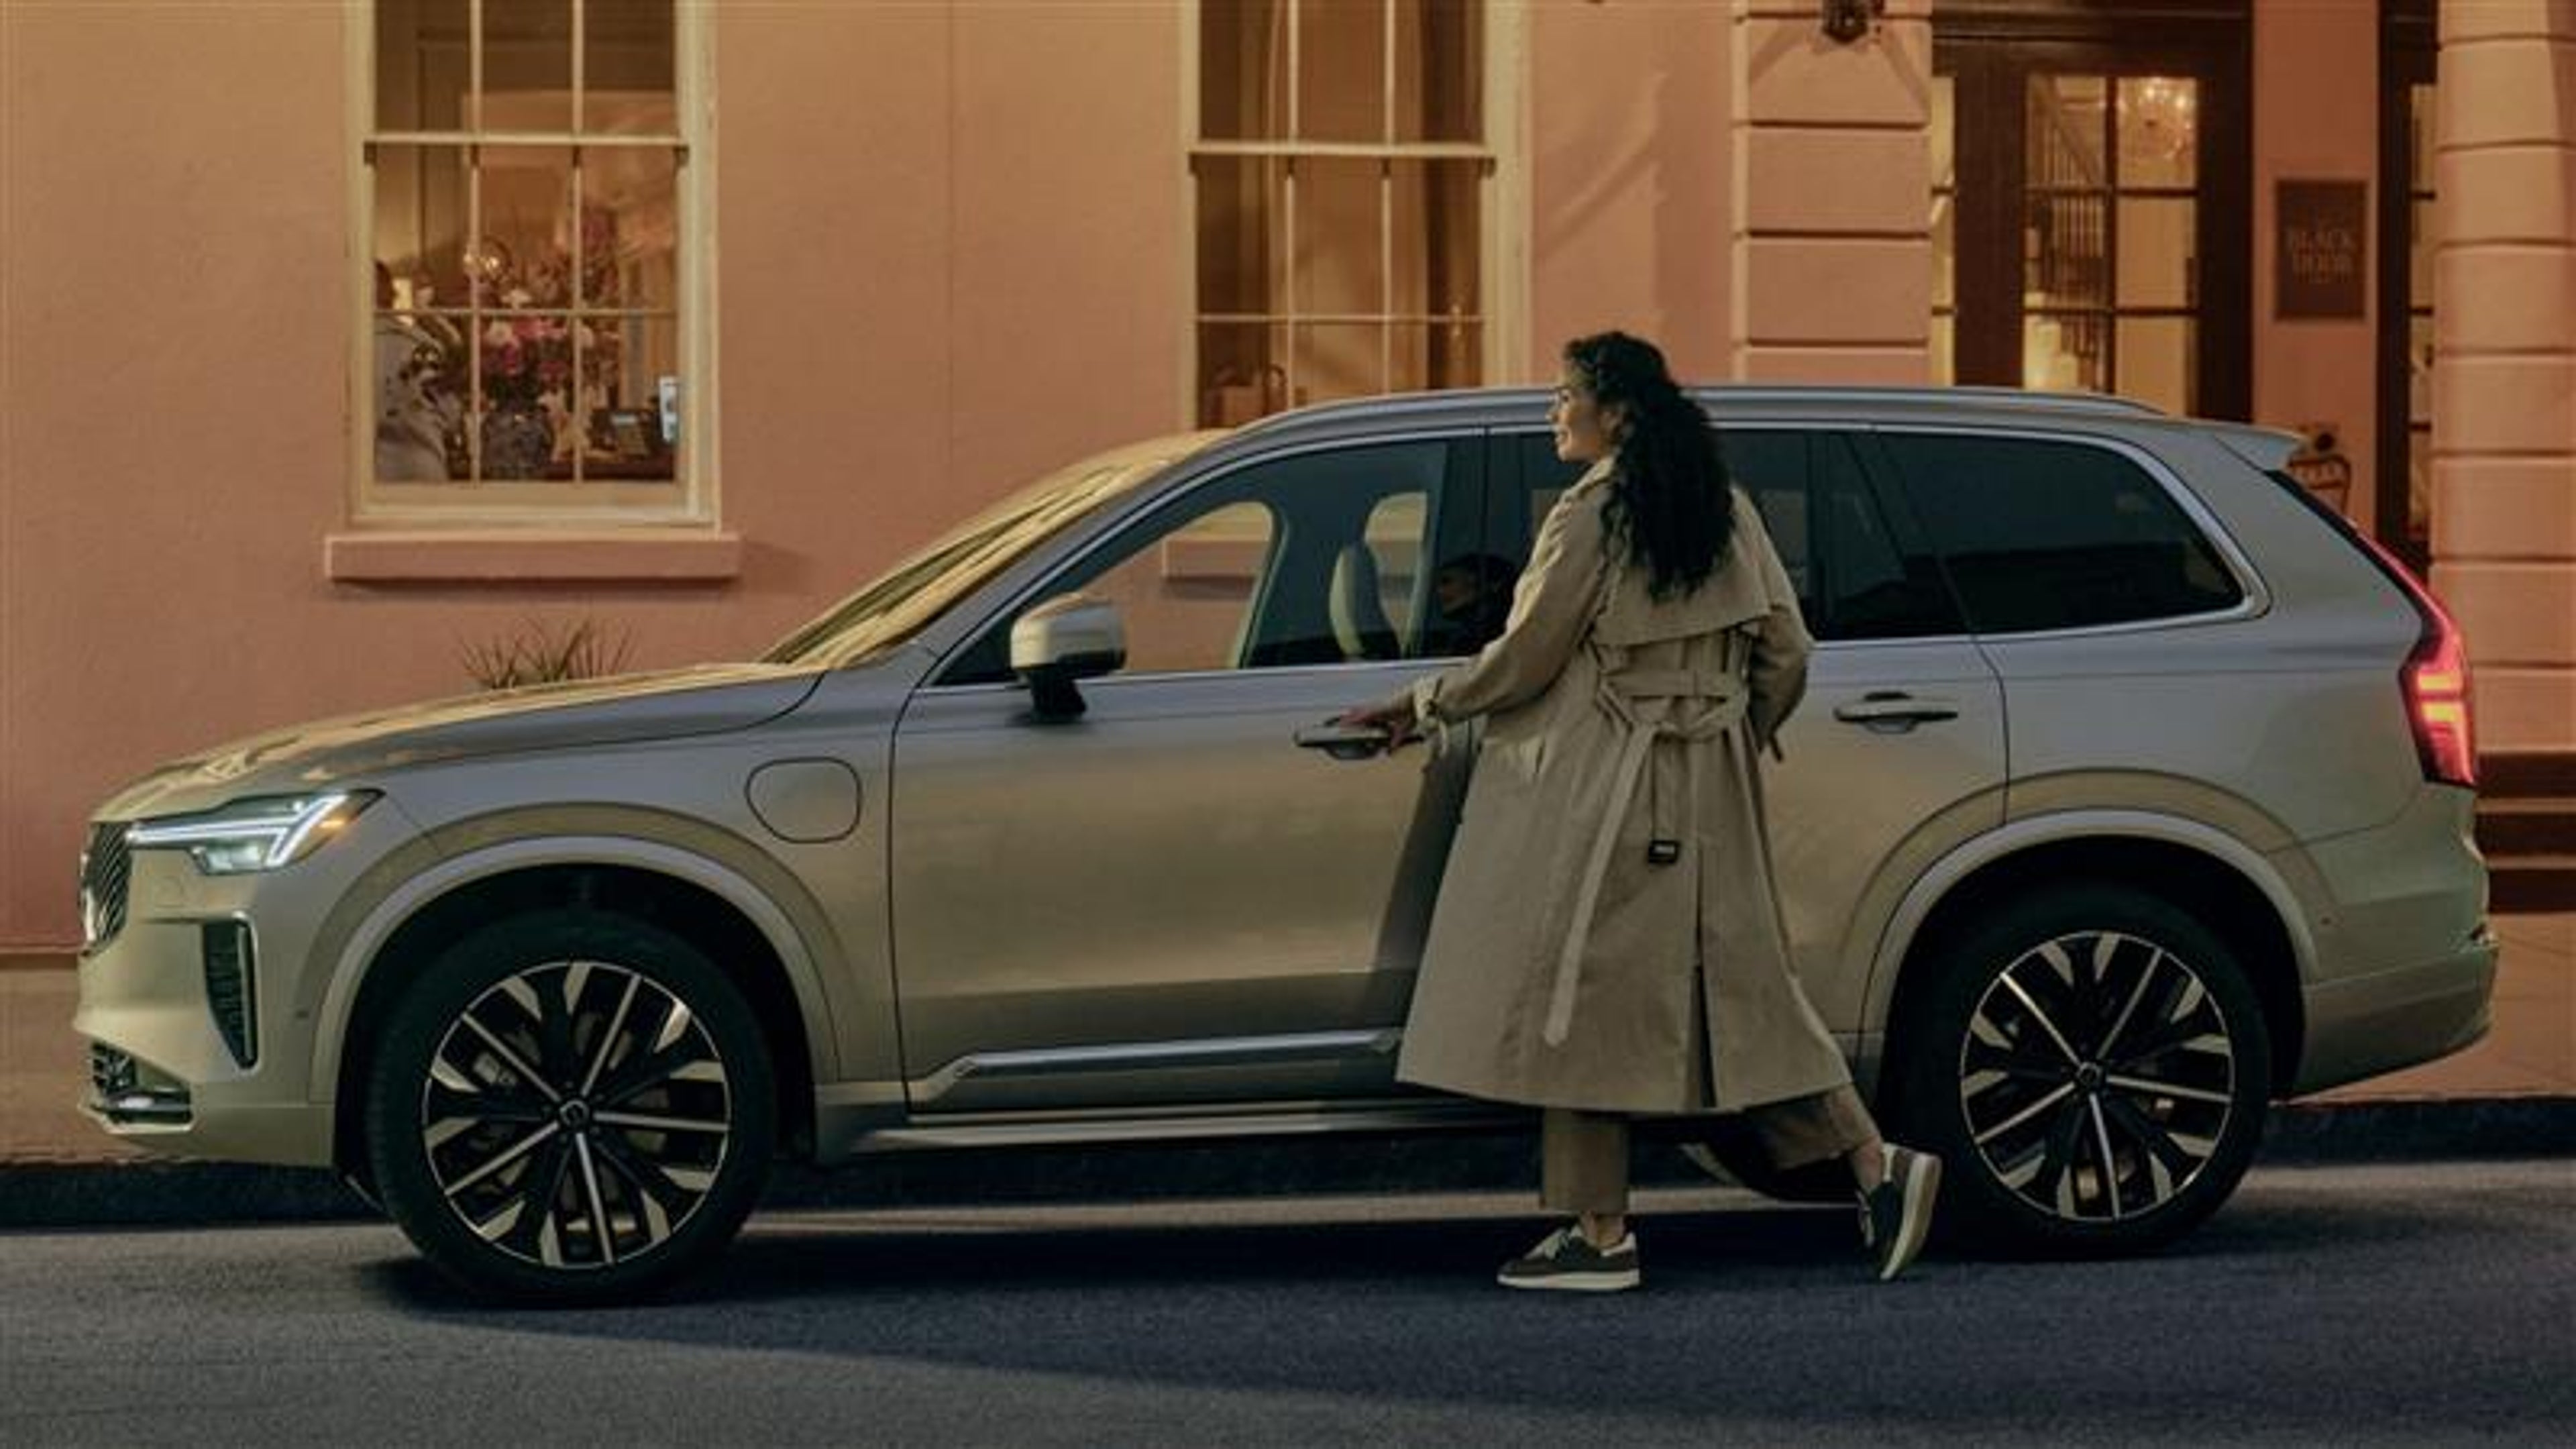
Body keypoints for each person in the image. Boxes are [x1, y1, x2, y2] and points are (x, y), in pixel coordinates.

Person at [1336, 331, 1941, 1291]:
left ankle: (1602, 1233)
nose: (1553, 412)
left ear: (1613, 411)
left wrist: (1423, 703)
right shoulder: (1724, 509)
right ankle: (1876, 1163)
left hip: (1609, 788)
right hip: (1712, 784)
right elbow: (1787, 653)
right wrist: (1728, 735)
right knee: (1738, 992)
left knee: (1578, 996)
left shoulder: (1589, 517)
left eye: (1565, 395)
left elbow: (1527, 655)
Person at [1421, 553, 1519, 657]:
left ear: (1479, 581)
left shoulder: (1499, 632)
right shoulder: (1468, 633)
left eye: (1447, 581)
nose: (1439, 592)